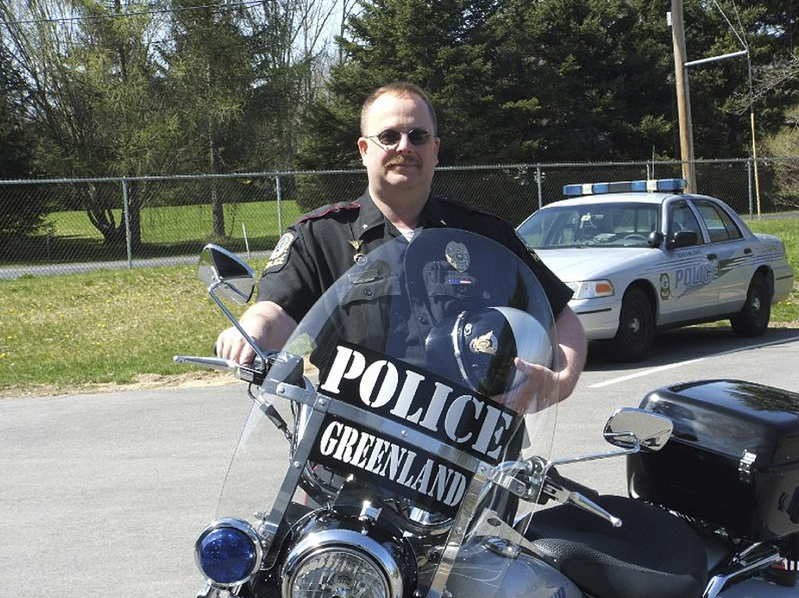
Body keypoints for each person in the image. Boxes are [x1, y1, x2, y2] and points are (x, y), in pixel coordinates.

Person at [216, 81, 587, 405]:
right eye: (389, 136)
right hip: (355, 460)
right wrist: (249, 332)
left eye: (418, 136)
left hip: (470, 461)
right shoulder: (320, 236)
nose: (404, 147)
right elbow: (275, 311)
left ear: (436, 149)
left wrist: (558, 383)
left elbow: (560, 315)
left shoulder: (484, 234)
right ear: (364, 150)